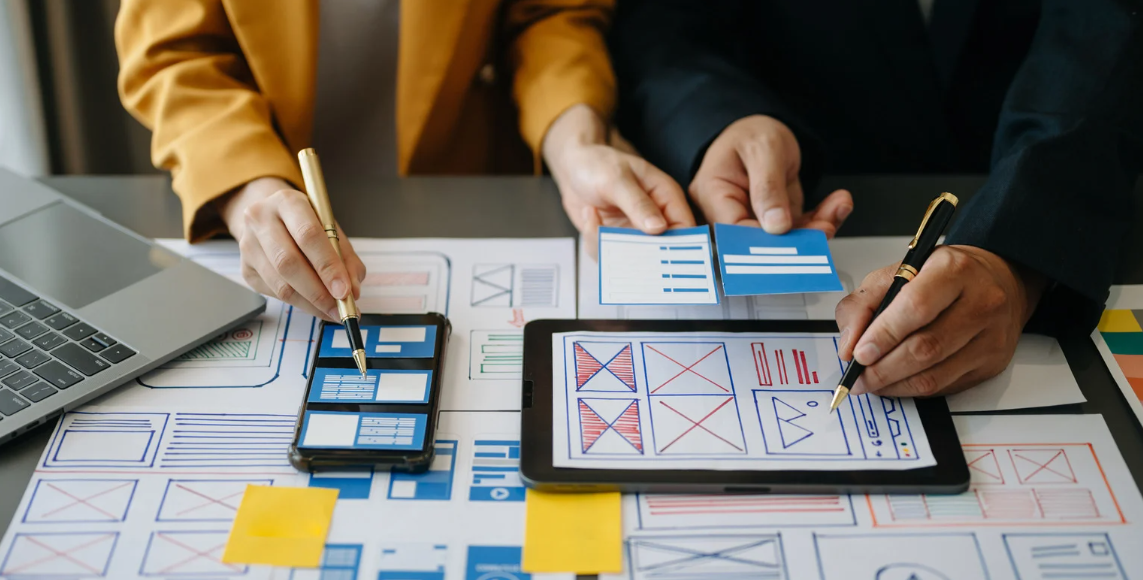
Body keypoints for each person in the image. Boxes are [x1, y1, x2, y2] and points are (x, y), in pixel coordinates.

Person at [611, 0, 1142, 397]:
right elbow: (661, 24)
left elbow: (1110, 27)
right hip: (812, 170)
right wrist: (720, 121)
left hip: (1059, 189)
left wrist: (1018, 247)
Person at [115, 0, 692, 323]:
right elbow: (175, 56)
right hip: (257, 174)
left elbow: (547, 15)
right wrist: (250, 191)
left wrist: (575, 143)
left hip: (461, 191)